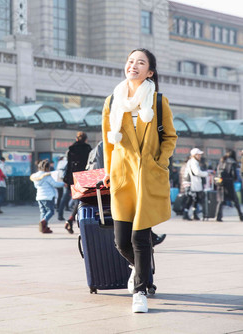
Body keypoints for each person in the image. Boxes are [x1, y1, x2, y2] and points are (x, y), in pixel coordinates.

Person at [102, 48, 177, 314]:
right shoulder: (113, 101)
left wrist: (160, 161)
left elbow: (170, 136)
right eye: (131, 61)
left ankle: (140, 290)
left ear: (150, 72)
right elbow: (107, 143)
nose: (133, 65)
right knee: (121, 241)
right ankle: (143, 267)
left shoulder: (157, 101)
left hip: (147, 176)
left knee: (140, 238)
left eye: (140, 62)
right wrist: (109, 171)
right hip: (122, 177)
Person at [62, 132, 92, 234]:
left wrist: (66, 178)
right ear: (86, 139)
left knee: (78, 199)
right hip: (84, 177)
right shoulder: (88, 149)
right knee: (81, 199)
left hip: (72, 177)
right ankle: (71, 220)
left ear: (77, 138)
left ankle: (70, 220)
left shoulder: (71, 149)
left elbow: (69, 165)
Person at [30, 159, 64, 233]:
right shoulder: (47, 176)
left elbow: (36, 187)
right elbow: (55, 184)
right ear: (47, 168)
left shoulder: (35, 176)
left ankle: (44, 228)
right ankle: (43, 222)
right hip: (48, 196)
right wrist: (63, 184)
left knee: (43, 212)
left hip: (39, 197)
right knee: (51, 211)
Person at [215, 150, 243, 222]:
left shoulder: (221, 161)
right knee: (235, 200)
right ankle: (241, 215)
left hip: (220, 183)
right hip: (229, 183)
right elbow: (234, 175)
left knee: (220, 200)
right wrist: (235, 179)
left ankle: (218, 216)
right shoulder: (232, 162)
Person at [183, 148, 208, 221]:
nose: (200, 156)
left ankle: (194, 214)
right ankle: (186, 214)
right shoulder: (193, 162)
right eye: (199, 154)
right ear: (195, 155)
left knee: (195, 199)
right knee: (190, 198)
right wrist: (206, 173)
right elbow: (197, 172)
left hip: (193, 183)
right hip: (191, 183)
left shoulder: (193, 161)